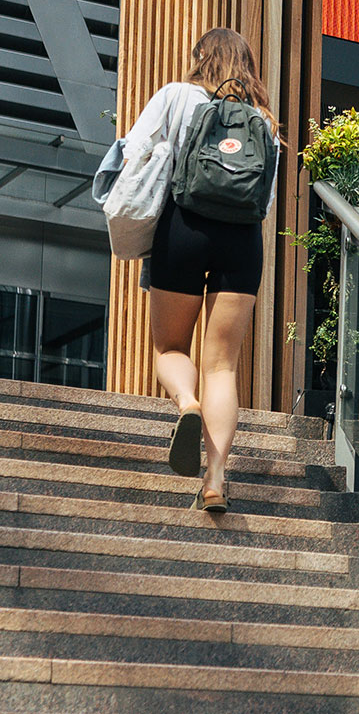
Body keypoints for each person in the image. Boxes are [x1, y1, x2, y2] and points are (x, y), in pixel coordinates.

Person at [122, 28, 278, 513]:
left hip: (183, 228)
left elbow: (133, 151)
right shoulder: (264, 121)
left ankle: (186, 402)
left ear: (200, 58)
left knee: (169, 347)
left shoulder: (176, 96)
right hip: (242, 242)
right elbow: (265, 199)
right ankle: (215, 478)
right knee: (224, 366)